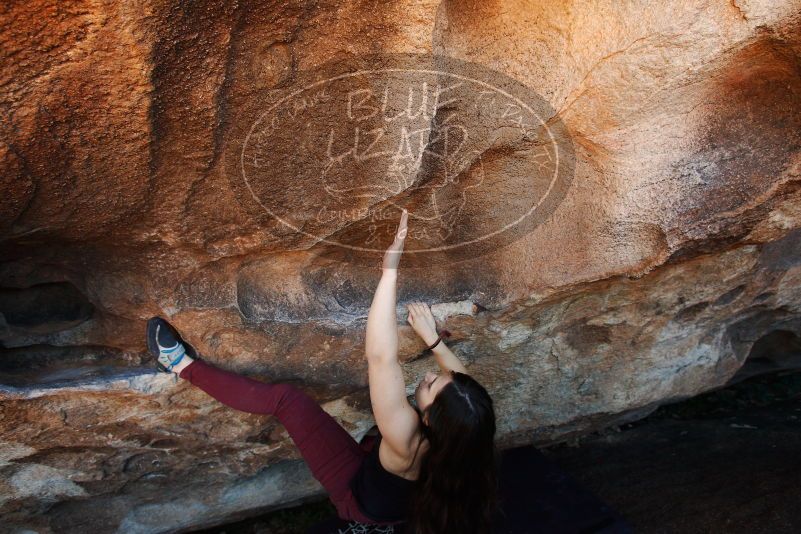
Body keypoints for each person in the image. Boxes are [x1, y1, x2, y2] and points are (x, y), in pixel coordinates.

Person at [146, 209, 500, 533]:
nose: (430, 375)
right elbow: (461, 385)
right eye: (441, 375)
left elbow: (380, 357)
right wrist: (434, 341)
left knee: (287, 400)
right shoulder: (469, 432)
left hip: (359, 497)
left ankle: (180, 364)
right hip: (397, 491)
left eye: (431, 385)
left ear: (427, 422)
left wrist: (389, 270)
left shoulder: (406, 437)